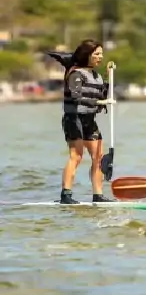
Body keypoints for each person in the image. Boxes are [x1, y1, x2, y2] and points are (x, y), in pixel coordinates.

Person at [47, 40, 116, 204]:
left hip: (89, 120)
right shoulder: (75, 73)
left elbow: (101, 95)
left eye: (101, 54)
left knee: (98, 157)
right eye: (97, 54)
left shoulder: (97, 76)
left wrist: (108, 76)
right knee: (76, 156)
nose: (100, 57)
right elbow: (77, 96)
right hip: (74, 118)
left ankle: (98, 195)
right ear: (87, 55)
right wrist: (100, 103)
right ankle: (66, 194)